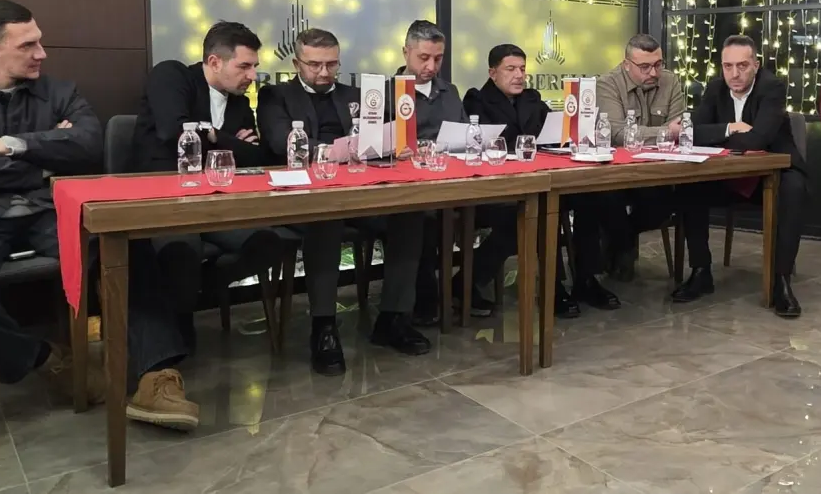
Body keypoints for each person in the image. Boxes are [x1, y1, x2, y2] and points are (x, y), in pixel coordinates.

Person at [0, 0, 194, 430]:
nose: (41, 53)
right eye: (27, 46)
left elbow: (87, 145)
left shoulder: (59, 91)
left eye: (40, 42)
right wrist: (46, 158)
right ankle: (43, 359)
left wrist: (11, 144)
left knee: (124, 242)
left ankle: (157, 376)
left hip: (53, 207)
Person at [258, 28, 429, 362]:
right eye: (314, 65)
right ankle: (324, 326)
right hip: (307, 197)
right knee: (327, 216)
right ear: (296, 63)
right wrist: (339, 150)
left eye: (332, 64)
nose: (324, 72)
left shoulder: (358, 94)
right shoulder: (275, 96)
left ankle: (394, 318)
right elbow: (282, 143)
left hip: (360, 193)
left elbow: (384, 136)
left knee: (410, 213)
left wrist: (397, 142)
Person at [130, 22, 285, 374]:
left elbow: (256, 156)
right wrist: (227, 139)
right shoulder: (172, 76)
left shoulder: (240, 104)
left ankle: (196, 294)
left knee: (267, 242)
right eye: (244, 66)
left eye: (255, 66)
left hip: (219, 201)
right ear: (215, 61)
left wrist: (213, 135)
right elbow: (173, 131)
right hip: (165, 198)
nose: (252, 76)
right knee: (181, 251)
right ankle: (177, 325)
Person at [463, 44, 620, 318]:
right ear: (492, 73)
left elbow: (555, 130)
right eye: (510, 69)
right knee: (540, 211)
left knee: (591, 198)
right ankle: (552, 287)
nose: (519, 75)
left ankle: (586, 278)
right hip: (499, 188)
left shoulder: (532, 98)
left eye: (522, 69)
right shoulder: (477, 100)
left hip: (541, 180)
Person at [676, 35, 806, 317]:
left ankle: (780, 282)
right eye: (728, 66)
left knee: (793, 189)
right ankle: (701, 272)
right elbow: (691, 134)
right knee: (689, 186)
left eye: (742, 66)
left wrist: (716, 137)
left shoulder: (771, 87)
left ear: (756, 65)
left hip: (774, 172)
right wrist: (731, 128)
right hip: (729, 173)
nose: (734, 74)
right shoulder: (715, 88)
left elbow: (760, 139)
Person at [582, 34, 687, 281]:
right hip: (616, 173)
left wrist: (659, 133)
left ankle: (621, 241)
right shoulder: (607, 84)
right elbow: (618, 134)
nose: (654, 72)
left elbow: (681, 128)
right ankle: (620, 247)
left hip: (656, 171)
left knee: (668, 202)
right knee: (605, 199)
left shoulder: (670, 81)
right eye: (645, 67)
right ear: (626, 64)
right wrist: (665, 132)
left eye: (658, 64)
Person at [395, 20, 467, 325]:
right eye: (423, 58)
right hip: (407, 188)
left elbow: (464, 135)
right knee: (422, 219)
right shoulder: (387, 92)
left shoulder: (449, 91)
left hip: (450, 181)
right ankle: (425, 300)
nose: (431, 67)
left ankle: (463, 287)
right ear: (406, 53)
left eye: (438, 59)